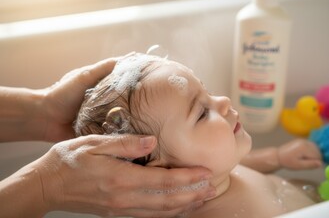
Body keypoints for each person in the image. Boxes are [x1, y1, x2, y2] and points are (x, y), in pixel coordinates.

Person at [74, 52, 323, 218]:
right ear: (164, 174)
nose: (224, 101)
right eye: (202, 113)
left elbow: (243, 166)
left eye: (207, 91)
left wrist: (277, 157)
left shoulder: (217, 172)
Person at [0, 56, 216, 218]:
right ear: (160, 171)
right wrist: (46, 185)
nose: (224, 100)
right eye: (202, 114)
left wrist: (44, 108)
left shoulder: (227, 167)